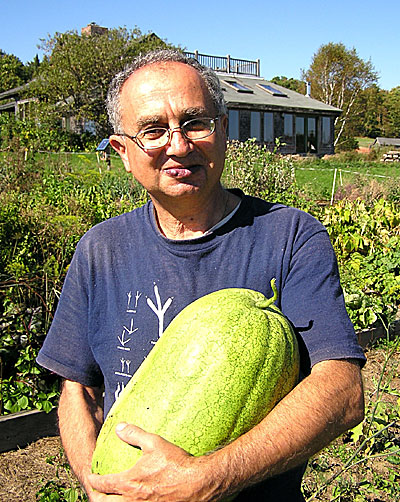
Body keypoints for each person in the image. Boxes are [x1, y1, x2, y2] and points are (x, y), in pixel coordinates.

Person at [37, 49, 365, 501]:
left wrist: (211, 477)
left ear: (224, 131)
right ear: (123, 152)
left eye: (195, 123)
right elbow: (79, 391)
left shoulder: (291, 236)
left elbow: (343, 391)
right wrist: (99, 489)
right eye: (153, 131)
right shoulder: (100, 249)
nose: (178, 145)